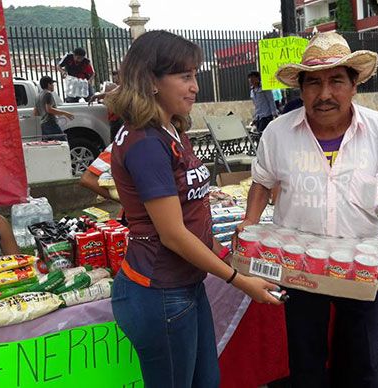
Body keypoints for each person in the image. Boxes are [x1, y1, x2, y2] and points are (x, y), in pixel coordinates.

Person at [235, 31, 378, 388]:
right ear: (300, 89)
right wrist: (249, 223)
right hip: (297, 263)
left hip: (361, 264)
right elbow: (261, 181)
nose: (324, 94)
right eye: (313, 83)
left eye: (336, 81)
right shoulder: (278, 132)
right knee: (306, 360)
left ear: (354, 85)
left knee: (364, 361)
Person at [104, 30, 283, 387]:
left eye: (194, 75)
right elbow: (172, 234)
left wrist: (235, 260)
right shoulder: (146, 143)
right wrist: (239, 281)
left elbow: (192, 219)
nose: (195, 86)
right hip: (159, 291)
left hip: (183, 286)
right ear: (152, 81)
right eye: (184, 76)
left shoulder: (170, 130)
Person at [34, 76, 74, 141]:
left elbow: (35, 112)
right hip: (50, 123)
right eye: (52, 84)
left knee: (50, 145)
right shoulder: (48, 94)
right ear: (48, 84)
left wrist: (44, 113)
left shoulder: (38, 96)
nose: (53, 86)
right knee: (63, 143)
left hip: (43, 125)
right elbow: (49, 109)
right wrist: (65, 113)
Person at [88, 70, 124, 139]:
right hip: (116, 119)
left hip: (118, 118)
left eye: (117, 78)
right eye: (114, 78)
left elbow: (111, 94)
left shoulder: (123, 87)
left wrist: (98, 97)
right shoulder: (120, 87)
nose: (115, 80)